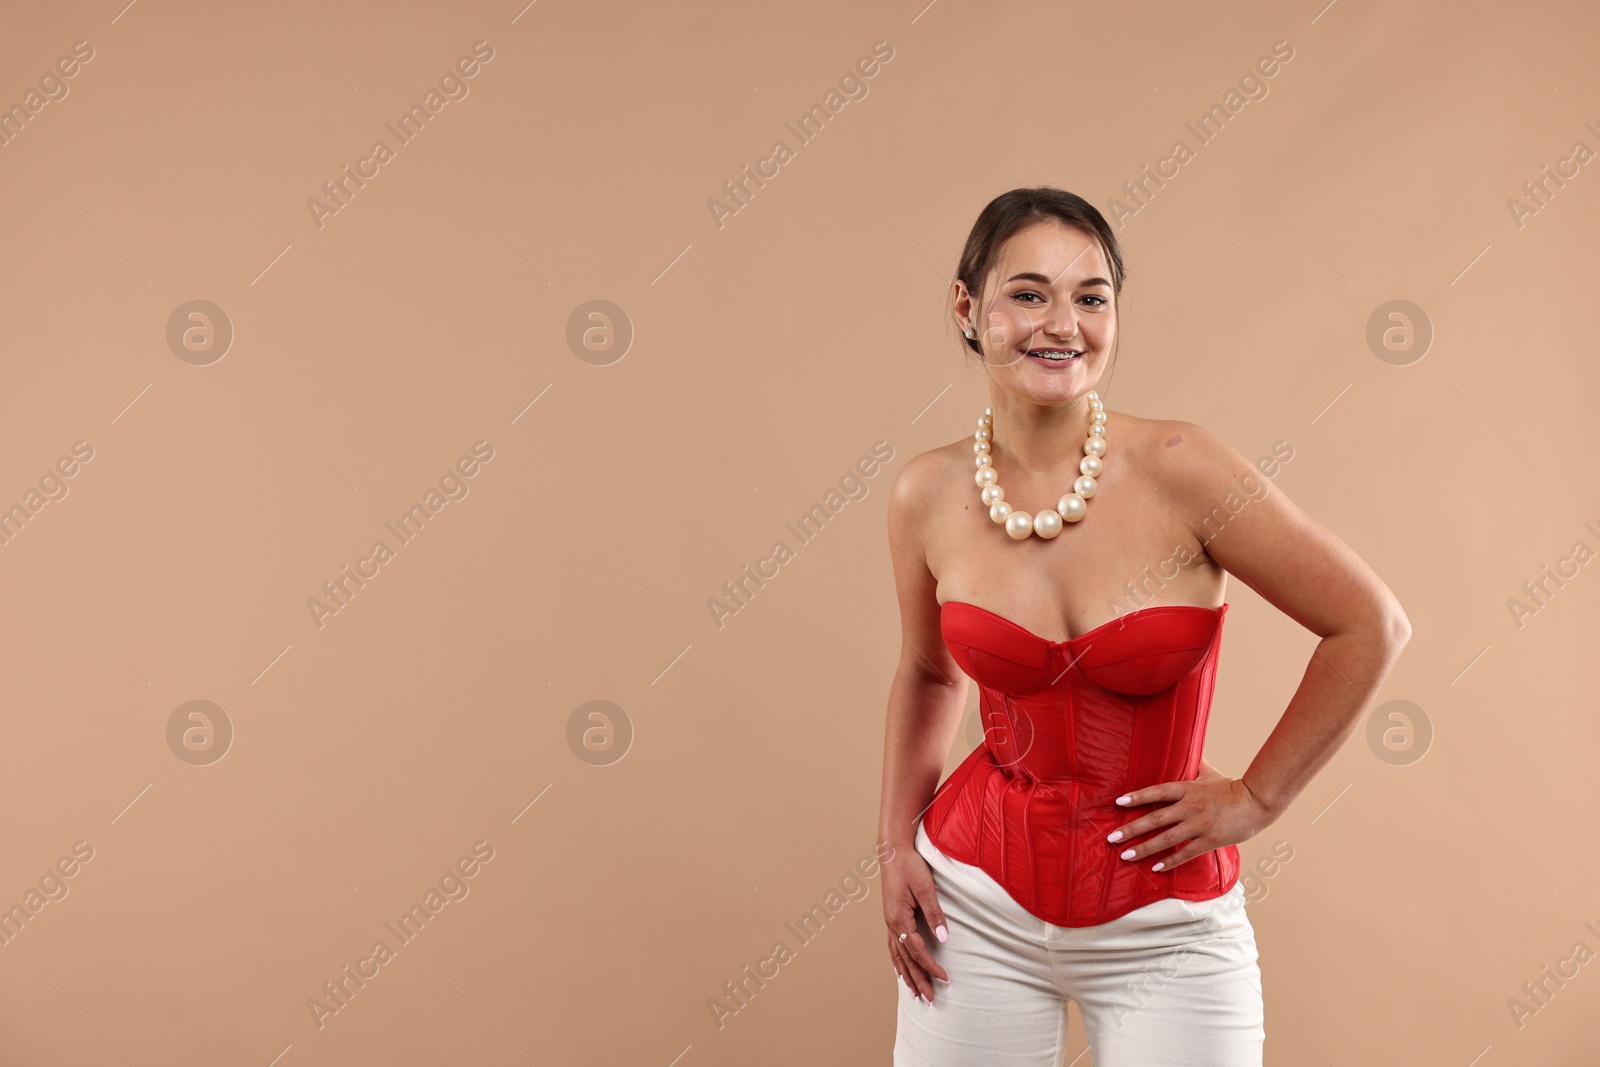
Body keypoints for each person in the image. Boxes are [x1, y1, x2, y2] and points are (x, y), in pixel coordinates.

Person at [877, 187, 1411, 1066]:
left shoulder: (1183, 468)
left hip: (1168, 926)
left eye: (1091, 296)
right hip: (971, 903)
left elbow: (1368, 623)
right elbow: (931, 675)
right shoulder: (925, 495)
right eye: (1028, 293)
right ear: (969, 308)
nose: (1063, 323)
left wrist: (1259, 796)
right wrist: (896, 846)